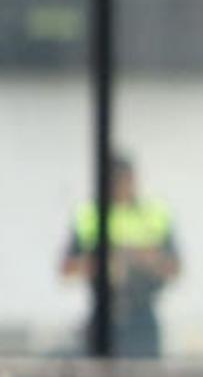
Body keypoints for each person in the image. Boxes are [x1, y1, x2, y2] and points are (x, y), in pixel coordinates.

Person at [59, 153, 180, 359]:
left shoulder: (153, 214)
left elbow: (174, 268)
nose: (123, 187)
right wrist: (101, 262)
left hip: (142, 314)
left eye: (126, 180)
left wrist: (143, 259)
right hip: (104, 313)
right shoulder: (89, 214)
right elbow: (67, 268)